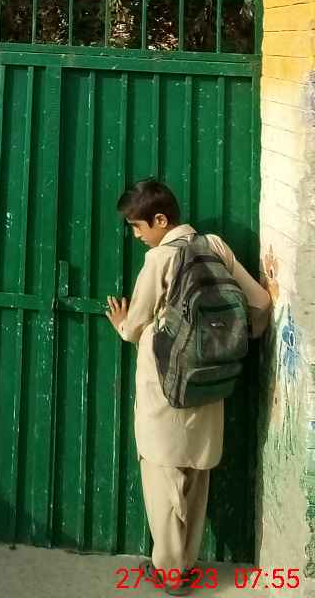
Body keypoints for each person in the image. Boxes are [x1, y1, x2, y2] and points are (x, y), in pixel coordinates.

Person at [104, 179, 271, 594]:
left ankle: (170, 573)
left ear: (160, 220)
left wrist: (121, 324)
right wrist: (233, 341)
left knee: (163, 482)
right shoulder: (214, 246)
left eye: (137, 226)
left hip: (166, 388)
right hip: (210, 382)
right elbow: (261, 303)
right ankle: (185, 565)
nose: (136, 235)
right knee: (196, 478)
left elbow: (135, 327)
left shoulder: (159, 259)